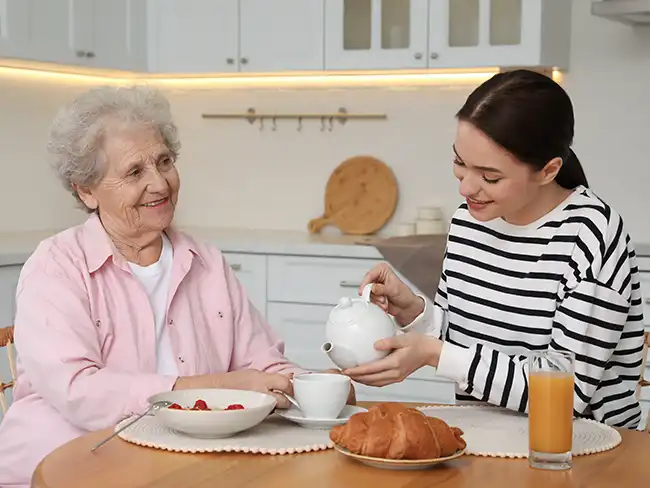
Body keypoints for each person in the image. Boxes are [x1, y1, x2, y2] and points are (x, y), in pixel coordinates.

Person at [0, 85, 352, 488]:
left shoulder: (206, 264)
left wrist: (313, 390)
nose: (160, 183)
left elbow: (263, 364)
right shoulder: (56, 266)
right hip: (65, 467)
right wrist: (214, 386)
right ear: (86, 190)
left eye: (164, 162)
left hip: (179, 466)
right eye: (135, 172)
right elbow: (79, 391)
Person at [345, 69, 645, 429]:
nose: (466, 188)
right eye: (459, 163)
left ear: (548, 171)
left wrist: (434, 354)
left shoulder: (592, 234)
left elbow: (566, 393)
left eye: (490, 177)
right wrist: (415, 312)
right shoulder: (469, 222)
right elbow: (469, 343)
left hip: (588, 450)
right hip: (484, 437)